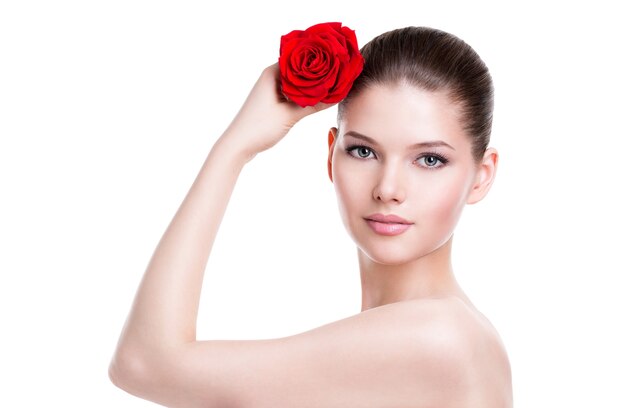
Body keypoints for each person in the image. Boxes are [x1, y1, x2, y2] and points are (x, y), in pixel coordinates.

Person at [109, 26, 513, 407]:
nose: (388, 188)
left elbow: (143, 362)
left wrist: (233, 149)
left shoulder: (441, 336)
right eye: (363, 151)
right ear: (331, 155)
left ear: (482, 176)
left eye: (429, 159)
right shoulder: (429, 336)